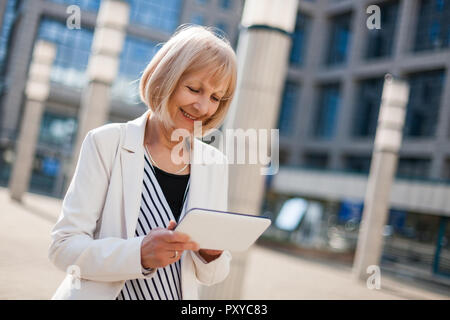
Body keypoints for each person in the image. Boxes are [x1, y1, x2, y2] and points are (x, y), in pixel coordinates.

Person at [48, 24, 237, 300]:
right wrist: (139, 254)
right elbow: (63, 248)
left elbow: (213, 275)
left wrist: (212, 256)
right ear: (165, 79)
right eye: (194, 89)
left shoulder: (214, 166)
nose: (203, 107)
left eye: (215, 98)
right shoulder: (106, 143)